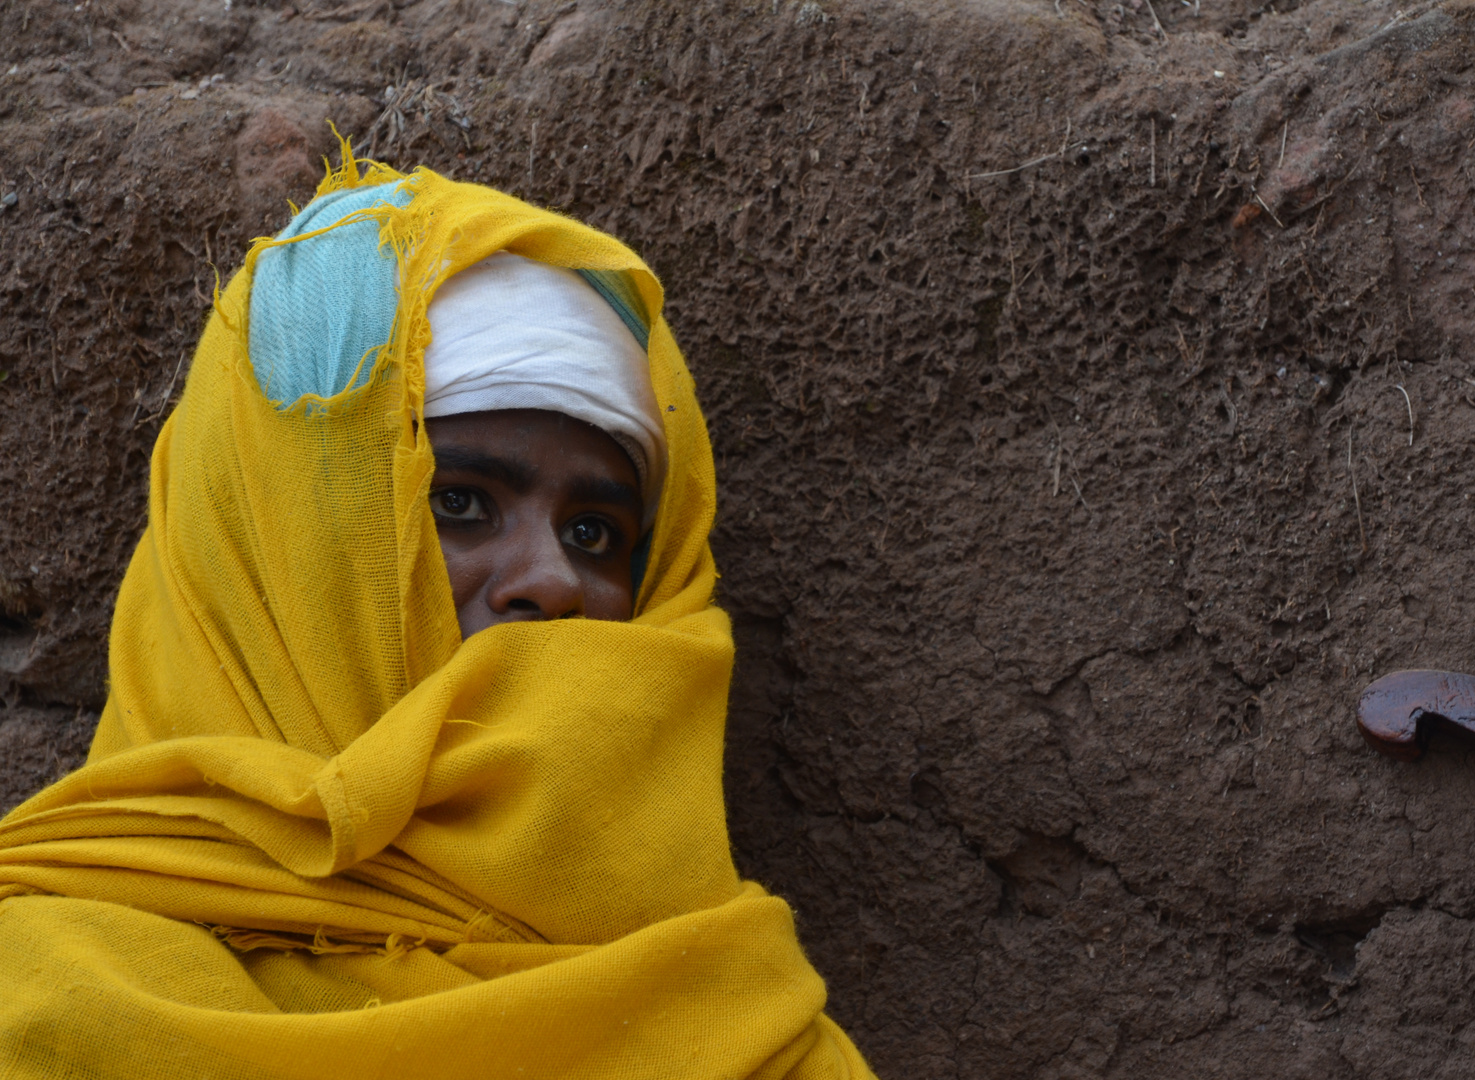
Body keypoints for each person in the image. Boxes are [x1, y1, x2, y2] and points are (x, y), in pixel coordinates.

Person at [0, 145, 874, 1079]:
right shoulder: (44, 993)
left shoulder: (753, 1032)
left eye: (594, 532)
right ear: (284, 551)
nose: (555, 582)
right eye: (458, 503)